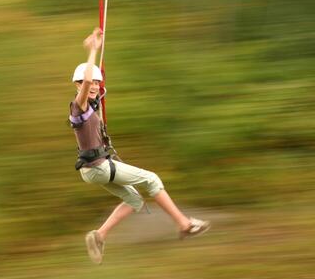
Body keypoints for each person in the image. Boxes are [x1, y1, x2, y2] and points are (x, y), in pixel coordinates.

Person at [69, 27, 210, 264]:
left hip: (94, 168)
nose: (92, 86)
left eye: (96, 83)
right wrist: (92, 51)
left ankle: (99, 235)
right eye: (87, 83)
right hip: (98, 167)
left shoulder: (92, 108)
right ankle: (184, 224)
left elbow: (94, 93)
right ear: (77, 84)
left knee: (135, 201)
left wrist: (98, 82)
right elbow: (85, 91)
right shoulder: (78, 107)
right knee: (152, 180)